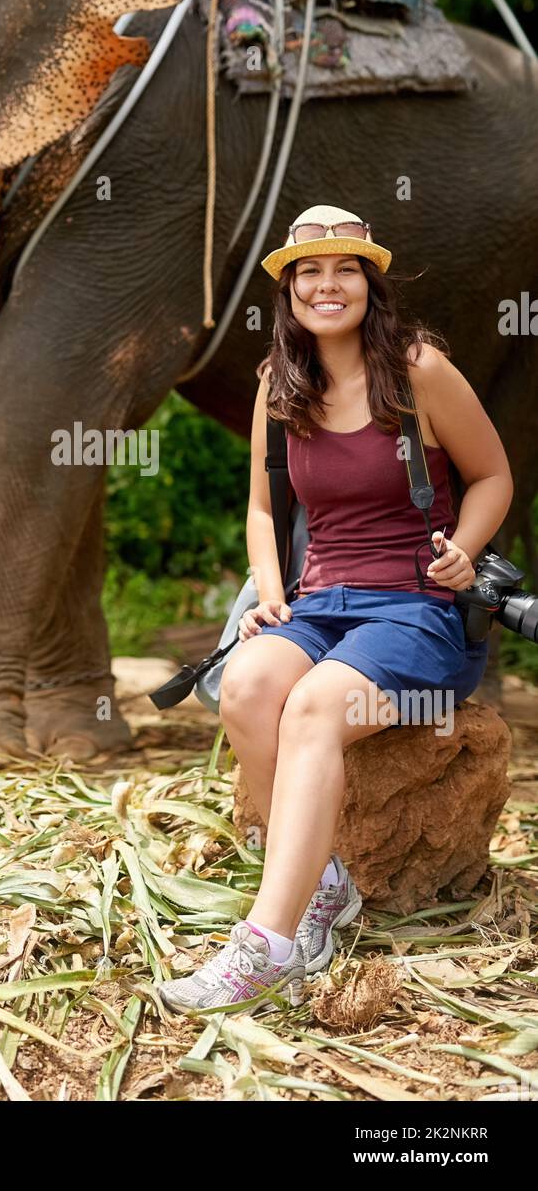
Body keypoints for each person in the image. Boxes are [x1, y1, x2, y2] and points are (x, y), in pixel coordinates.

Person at [158, 203, 514, 1016]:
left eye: (344, 268)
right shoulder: (276, 385)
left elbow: (492, 473)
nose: (327, 284)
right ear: (288, 292)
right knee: (245, 686)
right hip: (320, 602)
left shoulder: (416, 370)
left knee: (313, 707)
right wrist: (269, 586)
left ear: (367, 282)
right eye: (308, 272)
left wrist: (462, 546)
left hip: (417, 608)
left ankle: (267, 947)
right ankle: (322, 890)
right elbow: (259, 506)